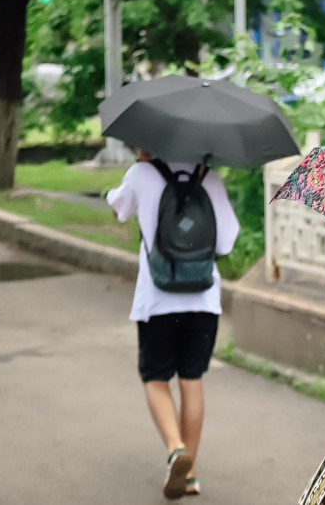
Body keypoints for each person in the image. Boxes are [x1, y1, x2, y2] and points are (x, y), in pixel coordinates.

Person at [106, 150, 239, 499]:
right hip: (203, 299)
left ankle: (176, 448)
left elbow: (119, 209)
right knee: (192, 380)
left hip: (158, 300)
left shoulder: (140, 173)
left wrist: (138, 169)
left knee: (155, 378)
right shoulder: (209, 177)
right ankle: (190, 472)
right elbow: (226, 242)